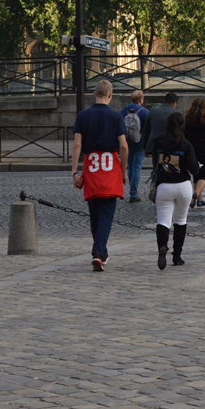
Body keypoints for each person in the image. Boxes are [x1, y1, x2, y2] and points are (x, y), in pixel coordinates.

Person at [70, 79, 129, 272]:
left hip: (92, 167)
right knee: (107, 214)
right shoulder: (116, 116)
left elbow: (77, 145)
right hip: (110, 167)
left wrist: (74, 172)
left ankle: (101, 252)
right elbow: (123, 146)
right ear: (110, 95)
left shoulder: (83, 116)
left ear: (94, 94)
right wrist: (123, 169)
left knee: (95, 215)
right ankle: (98, 252)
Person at [150, 112, 200, 270]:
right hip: (183, 185)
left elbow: (155, 164)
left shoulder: (158, 142)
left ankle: (162, 248)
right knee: (180, 220)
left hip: (164, 185)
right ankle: (177, 256)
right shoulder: (185, 144)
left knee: (163, 220)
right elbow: (194, 169)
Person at [144, 92, 182, 202]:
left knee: (156, 169)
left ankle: (155, 189)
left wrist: (145, 148)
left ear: (164, 101)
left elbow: (146, 130)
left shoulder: (153, 111)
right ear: (175, 103)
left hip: (155, 146)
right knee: (172, 169)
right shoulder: (177, 113)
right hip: (172, 147)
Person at [184, 98, 205, 207]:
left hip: (191, 149)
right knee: (204, 175)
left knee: (196, 174)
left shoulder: (187, 120)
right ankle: (196, 194)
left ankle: (199, 199)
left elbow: (184, 134)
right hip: (204, 149)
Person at [120, 90, 151, 203]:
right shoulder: (144, 112)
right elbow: (147, 129)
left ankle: (132, 192)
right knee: (137, 167)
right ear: (141, 100)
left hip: (127, 142)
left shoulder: (123, 111)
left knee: (131, 166)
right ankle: (133, 194)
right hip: (140, 143)